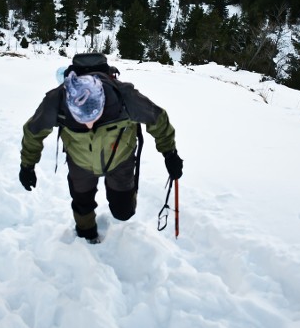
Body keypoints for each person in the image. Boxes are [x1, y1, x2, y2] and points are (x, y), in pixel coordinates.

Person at [19, 53, 183, 243]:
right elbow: (33, 132)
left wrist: (169, 153)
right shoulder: (57, 100)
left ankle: (122, 210)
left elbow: (158, 120)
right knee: (82, 204)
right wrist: (27, 166)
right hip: (80, 162)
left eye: (93, 118)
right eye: (81, 120)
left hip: (120, 159)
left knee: (124, 212)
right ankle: (86, 234)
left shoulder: (125, 97)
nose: (89, 126)